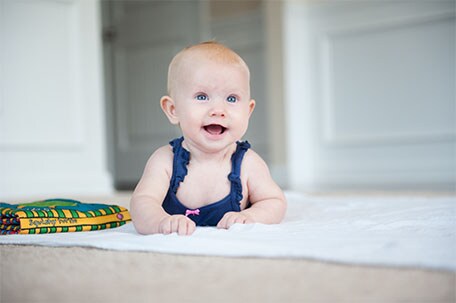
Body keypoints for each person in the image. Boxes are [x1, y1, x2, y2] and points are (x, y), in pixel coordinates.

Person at [130, 41, 286, 236]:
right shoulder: (165, 160)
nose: (218, 111)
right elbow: (142, 202)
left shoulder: (249, 163)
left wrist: (252, 216)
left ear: (248, 111)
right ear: (173, 109)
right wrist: (161, 222)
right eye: (202, 97)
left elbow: (274, 201)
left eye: (231, 99)